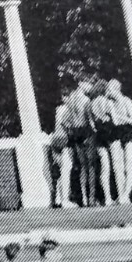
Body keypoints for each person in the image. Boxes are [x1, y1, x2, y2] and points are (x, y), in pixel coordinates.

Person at [60, 77, 96, 207]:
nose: (90, 86)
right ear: (81, 84)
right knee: (90, 166)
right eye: (89, 83)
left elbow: (64, 121)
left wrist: (70, 130)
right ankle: (91, 198)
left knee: (82, 167)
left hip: (76, 133)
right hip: (86, 132)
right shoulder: (86, 100)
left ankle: (85, 198)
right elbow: (90, 120)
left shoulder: (71, 100)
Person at [105, 79, 132, 204]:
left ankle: (126, 194)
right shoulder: (109, 104)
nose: (107, 92)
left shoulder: (127, 101)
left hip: (127, 133)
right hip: (114, 134)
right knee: (117, 166)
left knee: (128, 166)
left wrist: (117, 116)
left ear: (116, 89)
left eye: (109, 90)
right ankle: (121, 195)